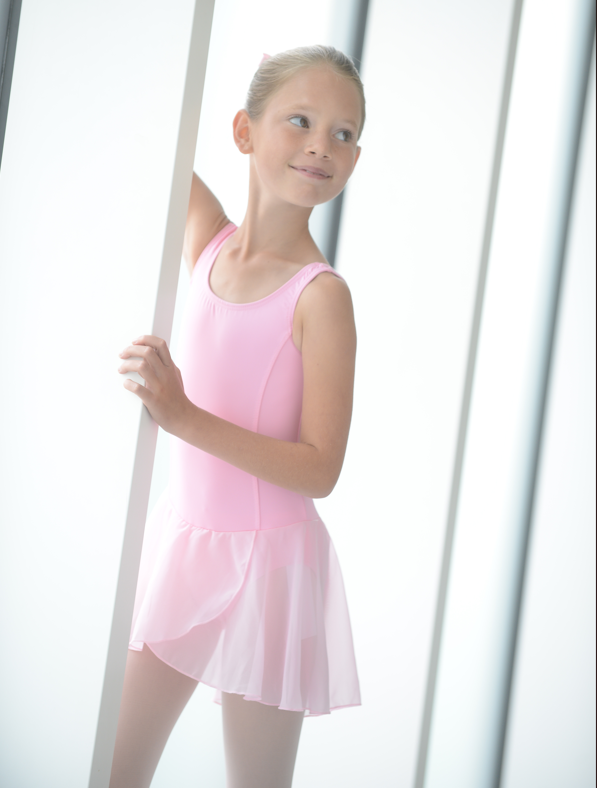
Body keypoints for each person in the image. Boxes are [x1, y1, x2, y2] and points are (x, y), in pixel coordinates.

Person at [111, 44, 365, 788]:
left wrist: (182, 415)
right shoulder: (207, 240)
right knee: (112, 769)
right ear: (244, 131)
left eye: (344, 133)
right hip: (186, 543)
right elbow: (146, 128)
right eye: (301, 120)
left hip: (273, 572)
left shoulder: (322, 297)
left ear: (355, 159)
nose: (322, 145)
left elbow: (320, 468)